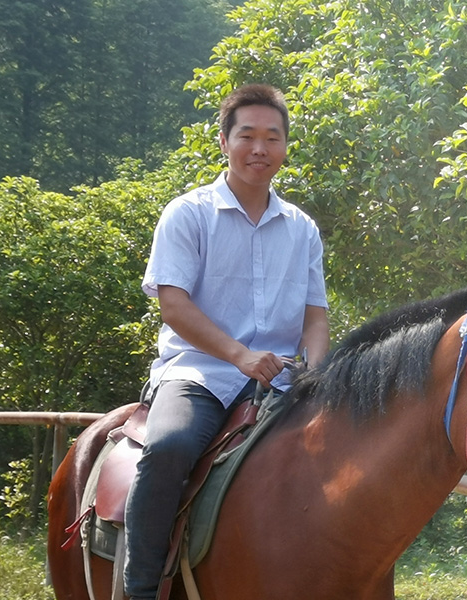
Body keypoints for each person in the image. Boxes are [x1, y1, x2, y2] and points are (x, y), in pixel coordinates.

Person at [123, 83, 330, 600]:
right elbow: (174, 306)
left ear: (285, 146)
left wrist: (317, 371)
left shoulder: (302, 228)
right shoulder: (187, 214)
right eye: (247, 135)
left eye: (272, 137)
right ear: (223, 141)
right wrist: (240, 355)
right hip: (198, 374)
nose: (259, 149)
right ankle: (141, 587)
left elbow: (316, 317)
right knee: (169, 448)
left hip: (281, 381)